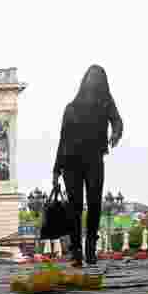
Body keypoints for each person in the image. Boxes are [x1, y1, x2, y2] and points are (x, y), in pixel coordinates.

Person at [53, 64, 124, 268]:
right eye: (92, 78)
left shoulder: (105, 103)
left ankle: (90, 248)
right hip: (70, 163)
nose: (94, 82)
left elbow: (117, 121)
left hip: (94, 160)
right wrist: (56, 170)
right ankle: (76, 251)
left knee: (94, 204)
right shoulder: (71, 108)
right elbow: (62, 140)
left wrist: (116, 133)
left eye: (98, 78)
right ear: (85, 81)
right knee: (74, 207)